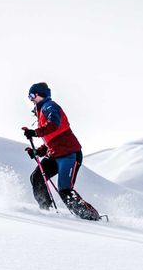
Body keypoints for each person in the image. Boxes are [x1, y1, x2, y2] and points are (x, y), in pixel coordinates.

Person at [22, 82, 100, 220]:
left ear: (40, 95)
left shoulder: (49, 106)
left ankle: (91, 217)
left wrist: (35, 132)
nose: (31, 99)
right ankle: (47, 211)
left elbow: (54, 125)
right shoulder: (42, 112)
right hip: (55, 154)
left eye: (32, 96)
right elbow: (52, 140)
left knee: (65, 190)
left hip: (69, 155)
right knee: (37, 177)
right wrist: (38, 152)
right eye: (29, 97)